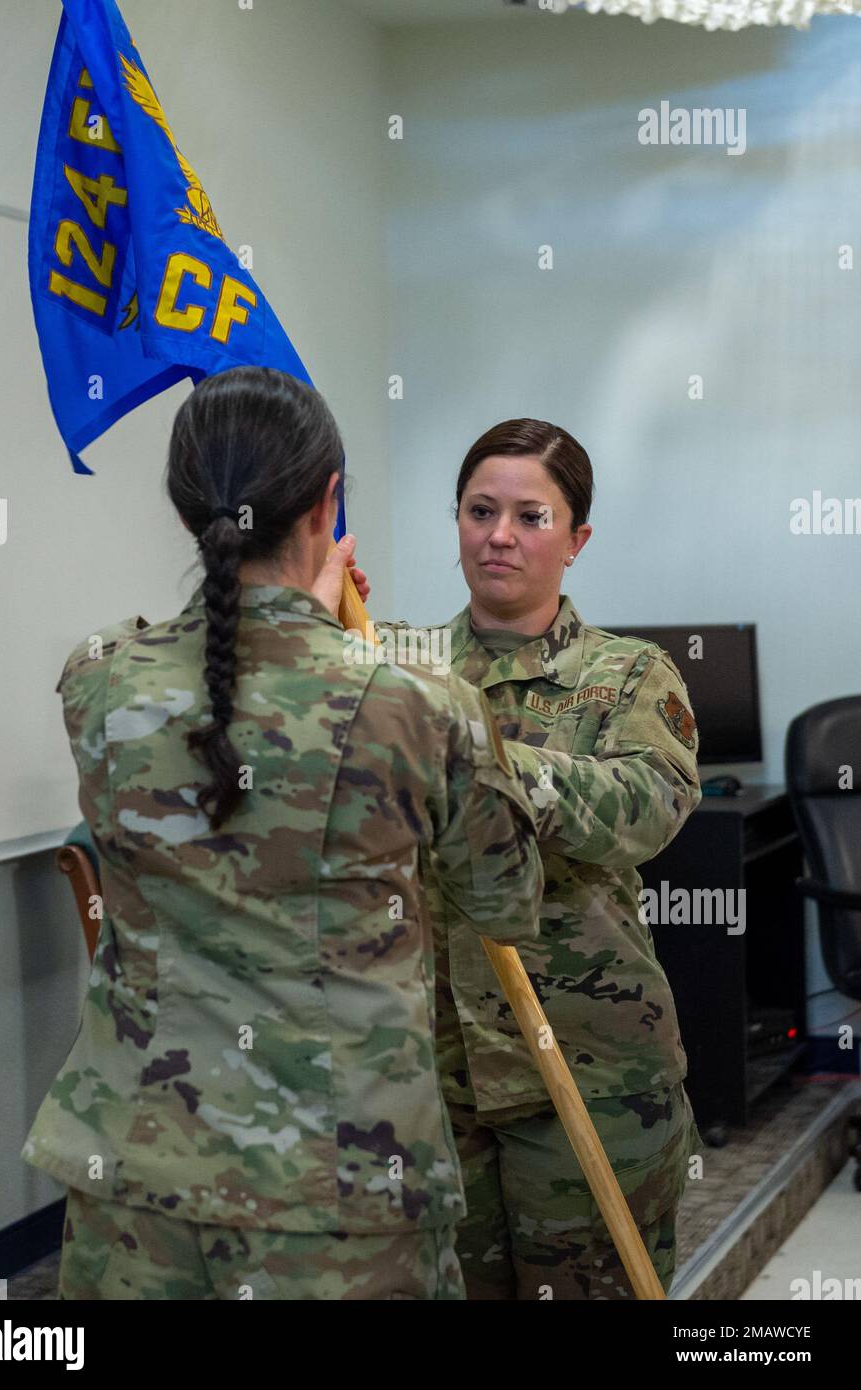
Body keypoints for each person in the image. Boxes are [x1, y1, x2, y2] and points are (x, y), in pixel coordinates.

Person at [21, 368, 544, 1301]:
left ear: (187, 509)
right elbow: (506, 898)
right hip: (340, 1191)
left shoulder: (97, 679)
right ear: (327, 501)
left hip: (135, 1180)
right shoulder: (418, 704)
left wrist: (309, 610)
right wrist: (348, 640)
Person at [375, 418, 704, 1300]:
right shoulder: (395, 670)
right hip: (432, 1075)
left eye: (531, 516)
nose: (500, 536)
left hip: (588, 1070)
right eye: (481, 511)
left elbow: (651, 806)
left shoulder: (630, 675)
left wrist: (484, 761)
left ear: (576, 540)